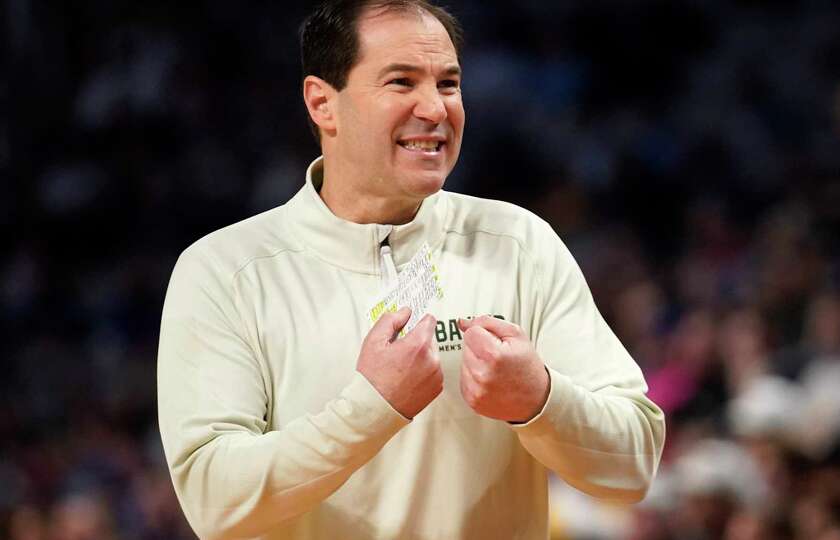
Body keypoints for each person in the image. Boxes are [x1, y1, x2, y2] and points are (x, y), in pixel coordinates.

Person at [156, 1, 665, 538]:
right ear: (322, 103)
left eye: (448, 84)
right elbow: (214, 501)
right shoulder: (226, 272)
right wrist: (370, 408)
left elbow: (633, 466)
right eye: (402, 82)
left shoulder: (517, 244)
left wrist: (541, 398)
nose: (436, 109)